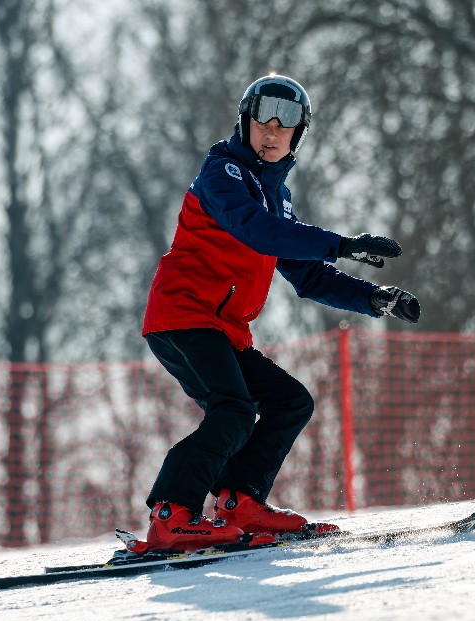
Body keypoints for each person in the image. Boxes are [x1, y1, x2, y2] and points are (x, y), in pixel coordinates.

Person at [132, 73, 420, 554]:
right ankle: (171, 515)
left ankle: (239, 501)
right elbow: (255, 231)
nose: (270, 131)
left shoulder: (277, 199)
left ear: (296, 136)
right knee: (235, 410)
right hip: (183, 315)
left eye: (283, 127)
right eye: (261, 120)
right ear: (244, 123)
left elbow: (309, 277)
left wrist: (375, 297)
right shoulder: (221, 173)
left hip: (223, 330)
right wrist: (343, 244)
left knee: (291, 401)